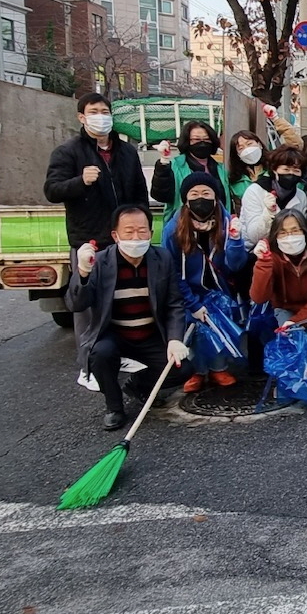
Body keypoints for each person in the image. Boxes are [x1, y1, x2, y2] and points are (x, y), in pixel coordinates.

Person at [44, 92, 149, 391]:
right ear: (82, 116)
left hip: (123, 239)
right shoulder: (69, 152)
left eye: (105, 110)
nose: (101, 116)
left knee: (120, 300)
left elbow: (139, 191)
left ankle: (120, 354)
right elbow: (52, 189)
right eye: (94, 111)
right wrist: (80, 181)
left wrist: (141, 224)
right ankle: (87, 365)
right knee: (87, 306)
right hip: (90, 239)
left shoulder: (126, 152)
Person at [66, 205, 190, 430]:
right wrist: (82, 273)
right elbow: (76, 304)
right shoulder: (100, 262)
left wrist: (174, 338)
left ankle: (139, 386)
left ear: (151, 234)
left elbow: (174, 304)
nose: (136, 237)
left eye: (142, 231)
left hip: (150, 333)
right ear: (115, 235)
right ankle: (114, 407)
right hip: (115, 333)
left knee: (183, 367)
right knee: (101, 355)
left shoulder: (162, 258)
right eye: (129, 231)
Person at [161, 172, 249, 393]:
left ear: (216, 197)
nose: (201, 198)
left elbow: (236, 265)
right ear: (186, 199)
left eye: (206, 193)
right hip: (187, 291)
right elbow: (171, 272)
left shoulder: (227, 222)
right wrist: (192, 303)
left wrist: (236, 240)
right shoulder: (173, 229)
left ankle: (218, 368)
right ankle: (197, 372)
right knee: (194, 329)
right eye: (194, 194)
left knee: (219, 325)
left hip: (220, 289)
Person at [250, 210, 307, 350]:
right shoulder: (272, 256)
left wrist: (296, 322)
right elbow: (259, 297)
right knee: (292, 343)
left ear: (305, 232)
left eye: (295, 231)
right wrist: (263, 262)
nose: (290, 237)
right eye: (283, 232)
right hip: (285, 308)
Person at [225, 105, 303, 213]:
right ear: (237, 154)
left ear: (259, 144)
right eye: (241, 148)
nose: (247, 150)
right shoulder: (234, 178)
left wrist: (275, 118)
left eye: (250, 144)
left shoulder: (274, 164)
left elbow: (295, 145)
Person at [150, 121, 230, 223]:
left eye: (206, 139)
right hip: (182, 227)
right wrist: (163, 162)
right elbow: (160, 195)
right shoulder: (175, 165)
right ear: (187, 141)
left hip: (218, 228)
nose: (202, 143)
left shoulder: (221, 168)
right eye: (196, 139)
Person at [239, 147, 307, 246]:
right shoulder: (255, 191)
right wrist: (269, 213)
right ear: (275, 170)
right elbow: (254, 237)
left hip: (287, 249)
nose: (291, 174)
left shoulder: (301, 196)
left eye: (296, 171)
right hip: (255, 250)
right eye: (286, 169)